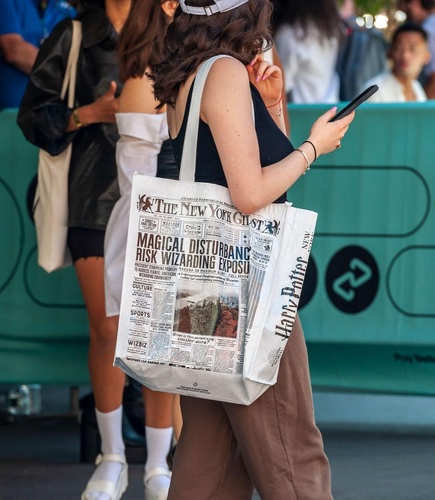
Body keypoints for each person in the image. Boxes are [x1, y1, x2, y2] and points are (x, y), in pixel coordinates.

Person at [151, 0, 353, 497]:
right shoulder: (222, 73)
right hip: (246, 288)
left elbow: (255, 176)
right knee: (290, 451)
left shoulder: (194, 75)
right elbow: (249, 194)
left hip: (201, 285)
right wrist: (314, 147)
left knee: (211, 453)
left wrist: (272, 107)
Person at [16, 0, 128, 498]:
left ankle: (163, 459)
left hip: (158, 194)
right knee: (107, 329)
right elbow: (31, 116)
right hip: (91, 195)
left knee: (160, 332)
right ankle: (112, 455)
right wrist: (89, 113)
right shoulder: (75, 34)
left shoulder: (173, 28)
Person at [98, 1, 181, 498]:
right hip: (164, 226)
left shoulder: (135, 74)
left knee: (146, 348)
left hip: (134, 224)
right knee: (162, 351)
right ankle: (153, 466)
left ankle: (146, 466)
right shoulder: (176, 79)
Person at [0, 0, 77, 113]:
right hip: (7, 118)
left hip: (53, 116)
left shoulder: (66, 10)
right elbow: (13, 49)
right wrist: (67, 76)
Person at [270, 0, 341, 103]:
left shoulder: (289, 35)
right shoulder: (331, 32)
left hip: (300, 112)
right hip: (331, 106)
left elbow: (281, 85)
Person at [364, 23, 430, 102]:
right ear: (389, 52)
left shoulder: (417, 88)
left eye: (412, 49)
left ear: (426, 57)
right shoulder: (373, 92)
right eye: (399, 48)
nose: (405, 55)